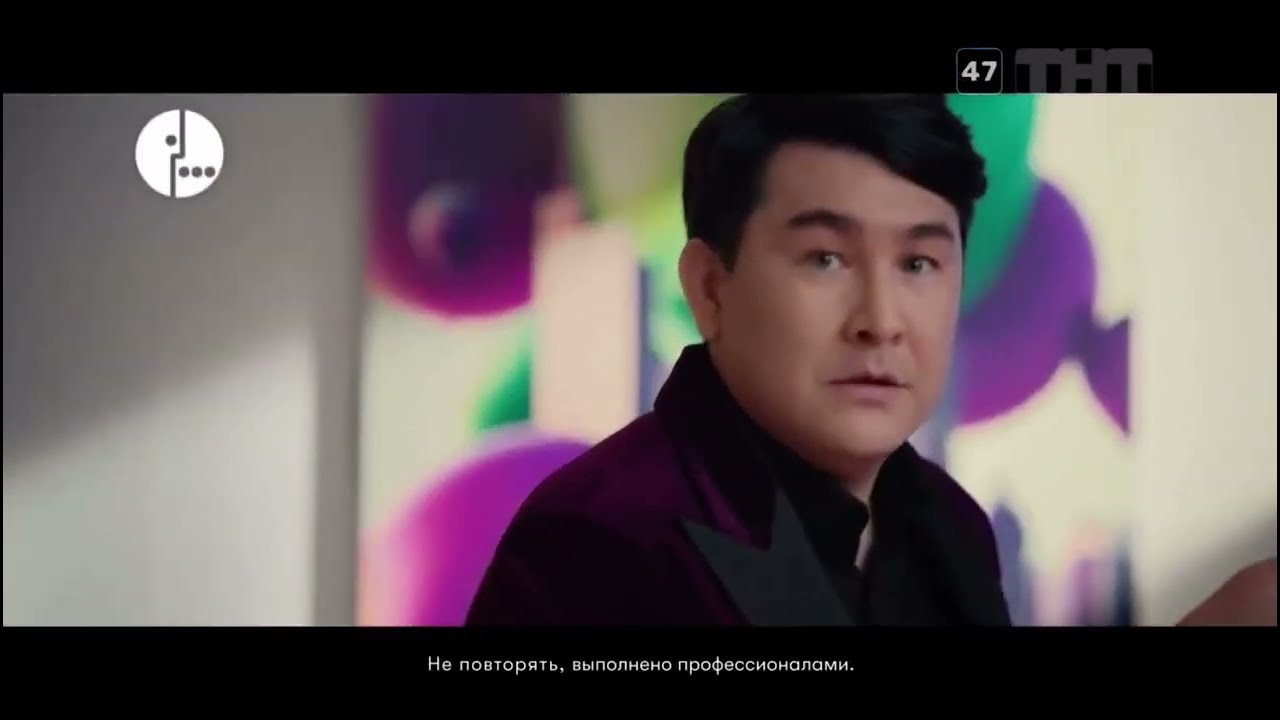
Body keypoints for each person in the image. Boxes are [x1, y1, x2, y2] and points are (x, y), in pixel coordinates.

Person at [466, 94, 1011, 626]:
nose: (882, 320)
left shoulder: (955, 533)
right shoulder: (591, 543)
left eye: (918, 264)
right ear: (709, 287)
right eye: (825, 259)